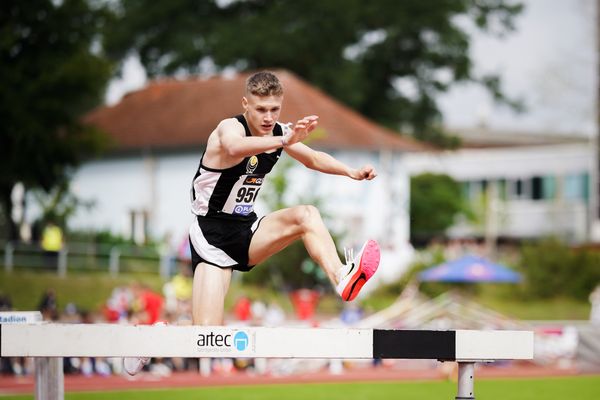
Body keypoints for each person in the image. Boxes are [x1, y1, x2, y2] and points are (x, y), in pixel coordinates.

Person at [124, 70, 380, 374]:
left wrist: (350, 172)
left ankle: (342, 277)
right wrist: (283, 139)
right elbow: (234, 148)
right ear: (246, 104)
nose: (268, 117)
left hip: (246, 229)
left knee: (307, 215)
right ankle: (156, 337)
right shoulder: (228, 128)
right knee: (204, 334)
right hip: (212, 235)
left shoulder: (279, 133)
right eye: (261, 109)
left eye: (274, 109)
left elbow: (312, 158)